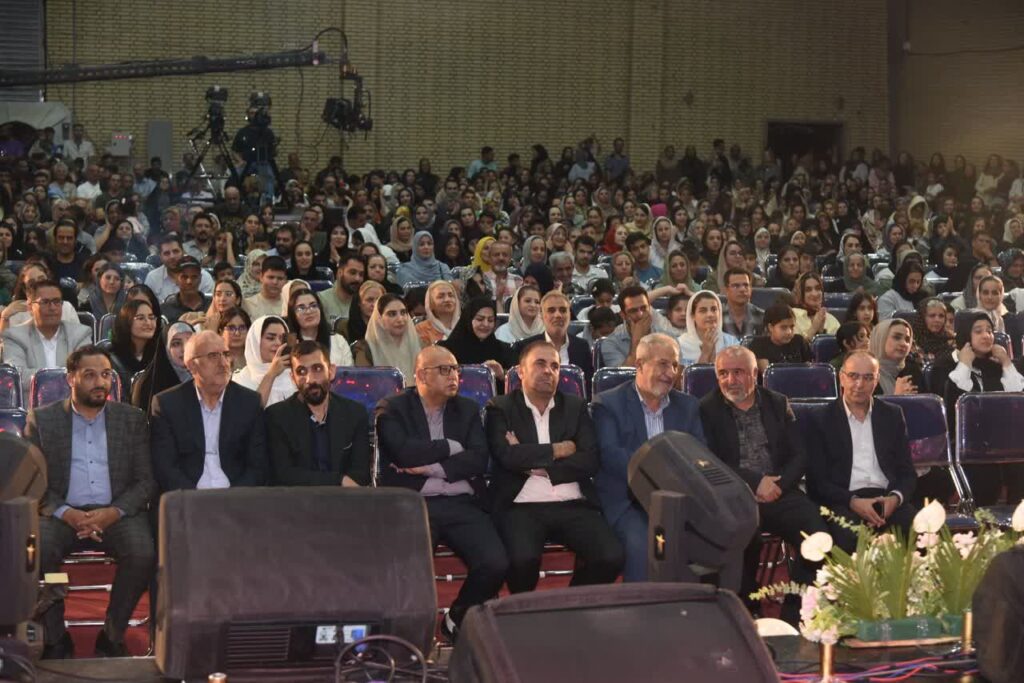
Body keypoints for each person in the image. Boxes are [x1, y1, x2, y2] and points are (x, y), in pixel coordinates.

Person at [26, 346, 155, 659]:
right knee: (40, 552)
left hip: (117, 513)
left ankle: (112, 634)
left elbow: (145, 482)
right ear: (71, 378)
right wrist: (66, 513)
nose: (100, 382)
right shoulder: (43, 420)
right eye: (90, 375)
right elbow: (32, 481)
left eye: (106, 374)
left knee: (142, 554)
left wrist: (113, 513)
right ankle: (56, 638)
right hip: (60, 514)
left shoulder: (131, 419)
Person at [377, 346, 508, 639]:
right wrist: (452, 447)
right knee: (409, 567)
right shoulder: (392, 408)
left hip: (462, 501)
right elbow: (403, 453)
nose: (454, 376)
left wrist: (430, 467)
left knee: (495, 562)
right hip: (416, 503)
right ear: (422, 375)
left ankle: (456, 617)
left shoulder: (467, 409)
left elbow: (478, 459)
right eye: (445, 370)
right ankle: (409, 633)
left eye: (456, 369)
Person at [699, 346, 827, 623]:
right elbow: (710, 461)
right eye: (723, 373)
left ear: (755, 373)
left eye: (738, 372)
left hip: (781, 491)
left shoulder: (777, 403)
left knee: (817, 535)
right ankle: (746, 609)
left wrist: (778, 485)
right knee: (744, 537)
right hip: (734, 494)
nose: (730, 380)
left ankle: (796, 611)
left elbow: (799, 454)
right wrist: (756, 483)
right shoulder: (706, 409)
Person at [485, 341, 624, 592]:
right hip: (521, 505)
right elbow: (507, 456)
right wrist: (560, 449)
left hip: (572, 502)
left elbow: (590, 460)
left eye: (555, 366)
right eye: (540, 364)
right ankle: (525, 610)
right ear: (521, 371)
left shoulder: (575, 407)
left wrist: (536, 465)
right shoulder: (500, 407)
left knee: (611, 556)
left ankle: (570, 603)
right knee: (522, 560)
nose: (548, 371)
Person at [592, 333, 704, 582]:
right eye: (663, 364)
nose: (670, 372)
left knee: (711, 535)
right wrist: (662, 477)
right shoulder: (608, 404)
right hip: (628, 499)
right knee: (642, 544)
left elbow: (698, 453)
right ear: (639, 365)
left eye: (674, 365)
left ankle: (689, 603)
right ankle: (641, 605)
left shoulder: (688, 406)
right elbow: (612, 457)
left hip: (678, 498)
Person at [807, 351, 917, 552]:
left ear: (876, 380)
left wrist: (895, 498)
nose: (859, 384)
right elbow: (817, 482)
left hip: (886, 498)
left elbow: (907, 472)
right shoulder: (820, 418)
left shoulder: (892, 415)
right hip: (843, 500)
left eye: (868, 378)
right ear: (841, 377)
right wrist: (853, 502)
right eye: (853, 376)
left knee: (921, 533)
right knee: (848, 537)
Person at [150, 330, 267, 492]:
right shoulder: (168, 404)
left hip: (235, 496)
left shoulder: (249, 402)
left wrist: (233, 498)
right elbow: (165, 468)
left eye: (226, 354)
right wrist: (195, 499)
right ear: (192, 365)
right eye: (213, 356)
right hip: (187, 496)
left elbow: (257, 466)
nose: (223, 363)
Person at [942, 311, 1024, 506]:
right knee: (986, 474)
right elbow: (955, 404)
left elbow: (1017, 398)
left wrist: (1006, 362)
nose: (986, 335)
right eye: (978, 331)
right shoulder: (947, 365)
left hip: (1003, 440)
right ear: (965, 335)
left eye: (989, 331)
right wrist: (965, 363)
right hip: (968, 443)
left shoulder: (995, 367)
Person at [265, 339, 370, 486]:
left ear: (331, 371)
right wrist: (338, 480)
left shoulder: (355, 413)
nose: (310, 379)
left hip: (344, 498)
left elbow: (361, 473)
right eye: (301, 371)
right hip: (297, 499)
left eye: (318, 369)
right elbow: (283, 474)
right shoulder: (277, 416)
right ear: (293, 378)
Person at [2, 279, 92, 403]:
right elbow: (17, 376)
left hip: (72, 407)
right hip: (31, 409)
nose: (52, 308)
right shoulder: (15, 336)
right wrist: (65, 375)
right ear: (30, 307)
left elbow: (87, 372)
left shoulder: (80, 334)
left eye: (56, 301)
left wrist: (44, 376)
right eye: (45, 302)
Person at [512, 290, 594, 385]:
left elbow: (588, 386)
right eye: (551, 310)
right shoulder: (526, 347)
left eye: (563, 310)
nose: (558, 315)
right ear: (541, 315)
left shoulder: (581, 346)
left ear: (569, 314)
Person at [598, 285, 677, 367]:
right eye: (633, 311)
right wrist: (637, 340)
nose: (640, 314)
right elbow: (623, 375)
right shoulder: (611, 343)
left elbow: (676, 371)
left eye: (644, 308)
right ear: (623, 315)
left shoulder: (668, 338)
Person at [439, 297, 513, 383]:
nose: (486, 324)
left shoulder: (503, 350)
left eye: (490, 320)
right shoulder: (447, 350)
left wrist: (502, 374)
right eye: (480, 319)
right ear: (468, 319)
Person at [231, 315, 297, 407]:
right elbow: (251, 412)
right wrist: (271, 374)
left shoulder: (293, 375)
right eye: (270, 338)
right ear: (256, 341)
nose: (278, 343)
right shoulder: (240, 380)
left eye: (282, 338)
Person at [353, 294, 423, 380]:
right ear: (379, 318)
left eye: (403, 313)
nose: (400, 319)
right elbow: (364, 382)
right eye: (392, 314)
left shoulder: (419, 344)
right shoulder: (365, 349)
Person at [131, 321, 194, 413]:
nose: (185, 349)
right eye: (176, 344)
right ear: (165, 349)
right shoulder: (148, 385)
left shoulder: (208, 377)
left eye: (190, 342)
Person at [286, 288, 354, 366]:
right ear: (293, 314)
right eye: (301, 308)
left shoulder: (338, 341)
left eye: (313, 306)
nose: (309, 311)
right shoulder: (288, 344)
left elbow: (348, 371)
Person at [144, 234, 214, 303]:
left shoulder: (204, 277)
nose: (172, 257)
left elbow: (211, 305)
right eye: (167, 253)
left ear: (183, 252)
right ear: (160, 257)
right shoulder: (153, 278)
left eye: (176, 251)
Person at [108, 298, 161, 388]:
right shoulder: (113, 358)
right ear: (126, 321)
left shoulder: (160, 352)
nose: (148, 323)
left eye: (151, 318)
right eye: (140, 318)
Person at [678, 290, 739, 366]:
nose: (710, 314)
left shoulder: (731, 343)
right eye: (703, 311)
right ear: (693, 316)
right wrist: (705, 353)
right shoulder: (680, 345)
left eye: (714, 309)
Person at [748, 302, 812, 372]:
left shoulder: (799, 341)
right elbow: (768, 374)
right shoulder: (759, 345)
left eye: (792, 327)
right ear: (770, 327)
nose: (789, 332)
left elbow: (810, 370)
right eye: (783, 327)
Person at [869, 319, 922, 395]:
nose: (903, 343)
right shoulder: (865, 371)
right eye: (897, 337)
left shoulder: (913, 370)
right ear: (880, 338)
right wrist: (897, 397)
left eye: (907, 340)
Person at [160, 256, 211, 323]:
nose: (189, 281)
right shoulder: (165, 310)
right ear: (176, 279)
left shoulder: (212, 304)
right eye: (184, 277)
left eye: (194, 277)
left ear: (200, 278)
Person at [318, 252, 365, 324]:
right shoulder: (321, 299)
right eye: (352, 273)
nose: (357, 279)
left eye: (361, 274)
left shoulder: (363, 303)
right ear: (339, 273)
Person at [792, 272, 840, 340]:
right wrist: (814, 328)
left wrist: (821, 332)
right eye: (808, 290)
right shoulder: (792, 316)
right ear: (800, 294)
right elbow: (794, 346)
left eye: (818, 288)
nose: (814, 294)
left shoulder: (832, 320)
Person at [721, 268, 764, 337]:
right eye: (736, 286)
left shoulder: (762, 317)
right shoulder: (717, 317)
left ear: (751, 289)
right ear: (726, 290)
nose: (742, 289)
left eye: (746, 285)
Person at [416, 280, 461, 345]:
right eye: (440, 297)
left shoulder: (466, 324)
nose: (447, 299)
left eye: (451, 295)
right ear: (430, 303)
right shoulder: (421, 329)